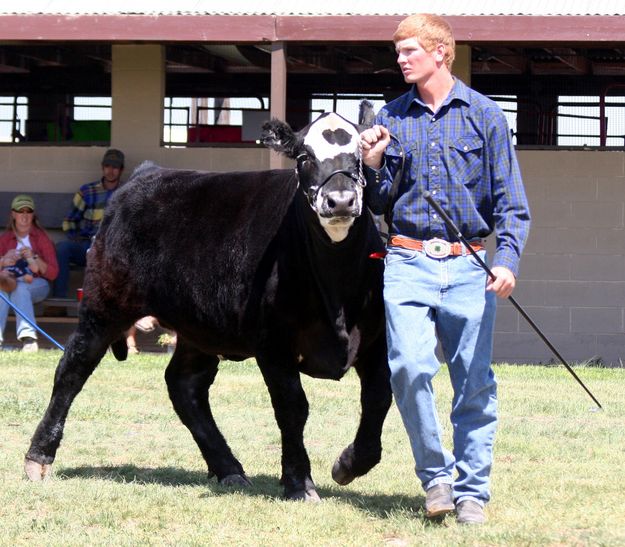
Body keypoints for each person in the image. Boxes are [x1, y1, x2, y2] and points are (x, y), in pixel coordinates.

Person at [359, 14, 530, 524]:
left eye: (410, 50)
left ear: (440, 52)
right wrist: (372, 165)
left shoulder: (486, 116)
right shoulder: (392, 117)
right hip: (407, 260)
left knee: (473, 381)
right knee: (409, 369)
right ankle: (437, 479)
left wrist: (507, 262)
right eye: (398, 52)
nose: (401, 58)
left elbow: (512, 204)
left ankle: (473, 492)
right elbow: (381, 202)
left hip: (468, 265)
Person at [51, 148, 125, 299]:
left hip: (112, 249)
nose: (111, 171)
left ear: (121, 170)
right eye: (108, 166)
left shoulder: (127, 192)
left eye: (115, 167)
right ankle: (58, 302)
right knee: (62, 248)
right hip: (87, 244)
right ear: (102, 167)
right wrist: (75, 236)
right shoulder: (87, 191)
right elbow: (70, 220)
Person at [0, 195, 59, 352]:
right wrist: (3, 260)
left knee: (20, 287)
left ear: (33, 215)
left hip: (38, 284)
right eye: (20, 212)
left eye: (28, 211)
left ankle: (29, 339)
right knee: (1, 291)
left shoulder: (41, 238)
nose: (24, 216)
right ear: (13, 214)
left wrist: (34, 257)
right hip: (9, 282)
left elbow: (53, 273)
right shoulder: (5, 239)